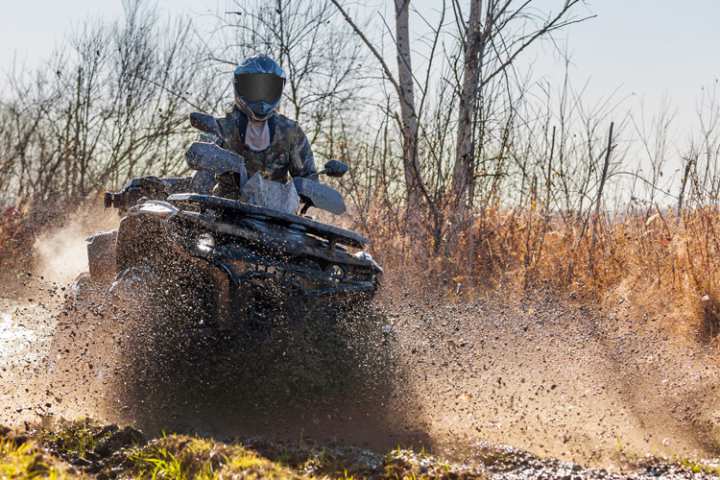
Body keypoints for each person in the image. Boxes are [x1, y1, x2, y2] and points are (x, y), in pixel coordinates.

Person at [211, 54, 318, 199]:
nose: (261, 95)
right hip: (225, 211)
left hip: (276, 214)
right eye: (255, 88)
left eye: (267, 89)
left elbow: (307, 176)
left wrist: (313, 193)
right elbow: (202, 175)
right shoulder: (221, 128)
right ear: (239, 86)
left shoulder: (290, 132)